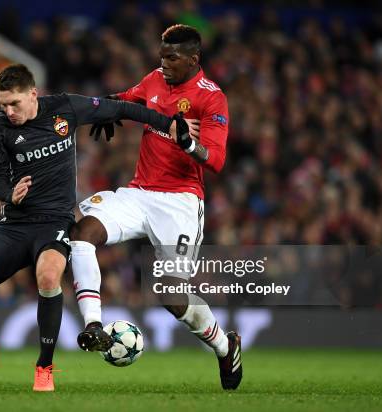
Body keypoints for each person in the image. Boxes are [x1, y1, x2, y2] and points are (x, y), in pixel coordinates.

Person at [0, 63, 188, 392]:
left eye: (14, 103)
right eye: (2, 104)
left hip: (55, 221)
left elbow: (123, 109)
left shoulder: (64, 107)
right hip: (16, 222)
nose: (8, 111)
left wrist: (168, 123)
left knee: (48, 276)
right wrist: (8, 194)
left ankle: (44, 367)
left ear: (33, 94)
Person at [69, 24, 243, 390]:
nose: (163, 64)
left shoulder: (211, 98)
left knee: (169, 292)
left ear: (193, 60)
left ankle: (225, 347)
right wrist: (104, 109)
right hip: (139, 192)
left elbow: (216, 160)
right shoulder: (154, 80)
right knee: (82, 231)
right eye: (161, 56)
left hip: (180, 202)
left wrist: (188, 145)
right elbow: (127, 100)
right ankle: (93, 325)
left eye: (172, 58)